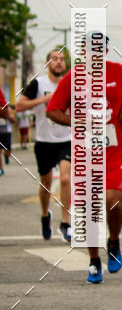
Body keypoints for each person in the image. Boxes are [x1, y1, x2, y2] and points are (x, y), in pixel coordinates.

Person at [47, 36, 122, 283]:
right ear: (83, 51)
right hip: (86, 153)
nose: (95, 54)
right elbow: (52, 110)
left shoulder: (119, 72)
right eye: (90, 50)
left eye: (100, 50)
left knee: (113, 201)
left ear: (106, 50)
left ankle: (113, 241)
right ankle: (94, 259)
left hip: (115, 149)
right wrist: (76, 121)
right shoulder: (72, 78)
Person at [16, 49, 72, 241]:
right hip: (43, 140)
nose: (59, 62)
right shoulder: (38, 84)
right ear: (48, 63)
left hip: (65, 138)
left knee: (65, 178)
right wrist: (44, 100)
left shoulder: (70, 83)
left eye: (62, 59)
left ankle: (65, 223)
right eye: (55, 59)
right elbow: (19, 105)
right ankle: (45, 215)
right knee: (46, 183)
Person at [0, 90, 16, 175]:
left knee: (8, 151)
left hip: (7, 132)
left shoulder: (7, 109)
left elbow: (13, 120)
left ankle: (7, 155)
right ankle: (1, 169)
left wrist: (8, 117)